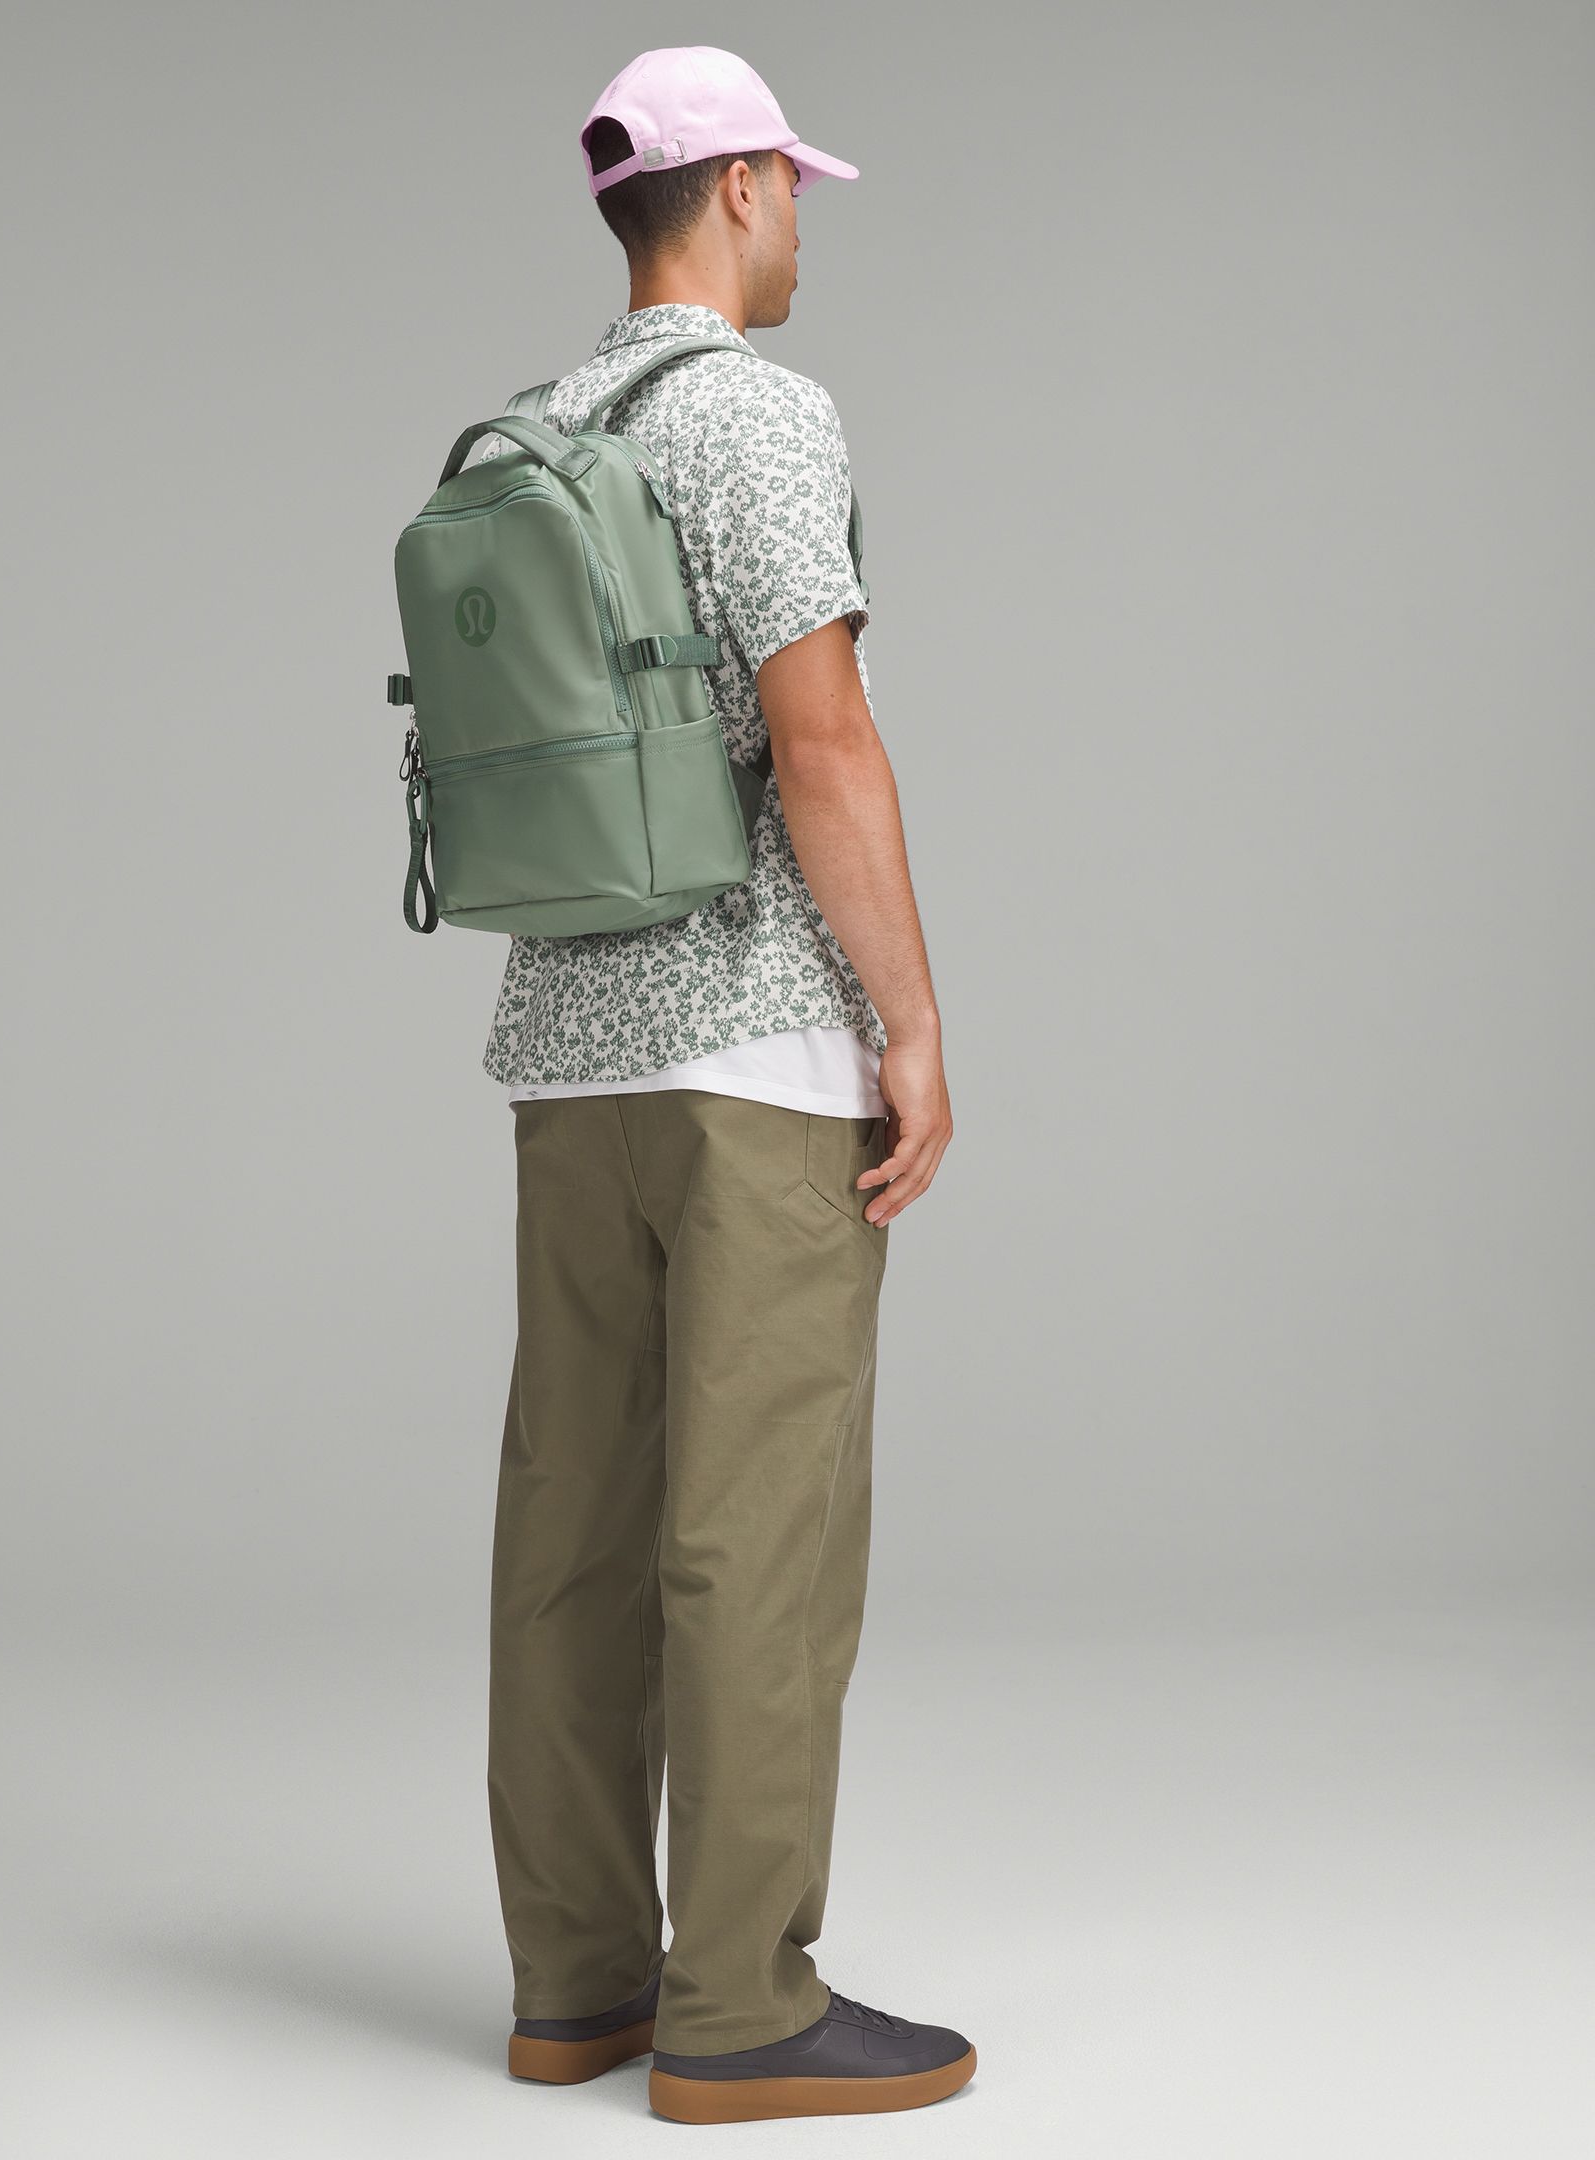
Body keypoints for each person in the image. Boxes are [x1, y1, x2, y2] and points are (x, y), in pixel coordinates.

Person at [477, 46, 971, 2126]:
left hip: (566, 1054)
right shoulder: (757, 414)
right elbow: (821, 735)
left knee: (573, 1531)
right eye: (797, 191)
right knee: (753, 1536)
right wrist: (911, 1023)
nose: (801, 228)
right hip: (755, 1053)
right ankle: (743, 2011)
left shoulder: (539, 426)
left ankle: (576, 1987)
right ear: (748, 186)